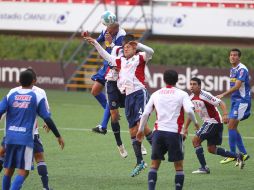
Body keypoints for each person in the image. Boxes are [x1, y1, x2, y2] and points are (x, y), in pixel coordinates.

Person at [84, 35, 154, 177]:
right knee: (132, 131)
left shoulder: (140, 57)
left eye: (128, 47)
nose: (125, 49)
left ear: (134, 48)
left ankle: (158, 147)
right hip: (128, 97)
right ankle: (140, 162)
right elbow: (106, 56)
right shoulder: (120, 61)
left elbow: (151, 51)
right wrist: (96, 43)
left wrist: (139, 45)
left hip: (139, 93)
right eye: (125, 47)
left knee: (141, 124)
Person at [0, 70, 64, 190]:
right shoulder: (37, 96)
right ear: (34, 81)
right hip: (26, 138)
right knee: (24, 172)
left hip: (9, 137)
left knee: (8, 170)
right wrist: (58, 136)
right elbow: (47, 118)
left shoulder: (10, 95)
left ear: (19, 81)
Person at [136, 70, 198, 190]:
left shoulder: (156, 94)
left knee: (154, 165)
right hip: (174, 134)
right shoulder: (182, 94)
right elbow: (190, 111)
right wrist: (195, 123)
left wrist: (140, 129)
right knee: (178, 167)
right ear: (177, 80)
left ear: (163, 80)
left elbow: (145, 113)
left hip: (158, 133)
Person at [184, 77, 244, 174]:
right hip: (212, 123)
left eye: (194, 84)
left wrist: (225, 115)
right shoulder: (191, 98)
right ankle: (237, 156)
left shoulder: (205, 95)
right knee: (211, 149)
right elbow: (191, 113)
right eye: (190, 84)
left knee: (195, 140)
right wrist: (185, 128)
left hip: (213, 122)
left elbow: (221, 102)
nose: (192, 86)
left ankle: (204, 168)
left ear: (199, 86)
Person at [90, 12, 126, 135]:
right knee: (94, 91)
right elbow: (97, 41)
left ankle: (103, 125)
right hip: (106, 64)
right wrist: (89, 38)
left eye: (109, 28)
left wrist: (111, 43)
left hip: (114, 67)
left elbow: (120, 53)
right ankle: (111, 110)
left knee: (107, 94)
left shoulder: (122, 35)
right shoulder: (107, 30)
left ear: (114, 27)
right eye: (106, 27)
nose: (107, 30)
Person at [217, 48, 251, 164]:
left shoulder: (242, 69)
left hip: (242, 101)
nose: (232, 57)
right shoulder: (233, 69)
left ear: (239, 57)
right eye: (231, 55)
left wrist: (223, 94)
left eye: (235, 55)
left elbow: (237, 86)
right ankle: (244, 154)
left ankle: (232, 154)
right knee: (233, 127)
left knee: (231, 126)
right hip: (235, 101)